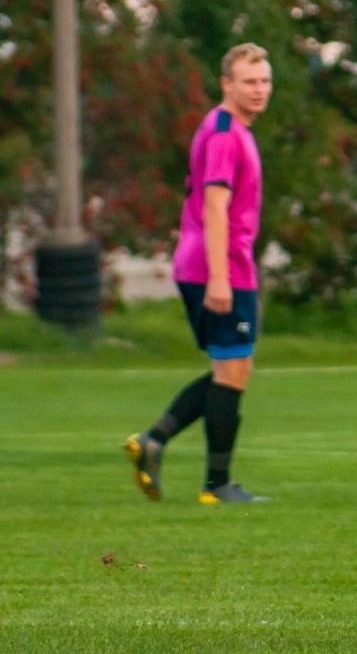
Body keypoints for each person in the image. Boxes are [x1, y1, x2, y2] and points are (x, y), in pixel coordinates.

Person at [125, 43, 273, 504]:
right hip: (217, 266)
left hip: (221, 264)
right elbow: (214, 204)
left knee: (233, 369)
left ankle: (154, 441)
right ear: (226, 83)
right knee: (231, 372)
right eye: (249, 81)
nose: (259, 90)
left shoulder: (227, 127)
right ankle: (216, 486)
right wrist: (219, 277)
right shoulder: (226, 132)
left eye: (265, 81)